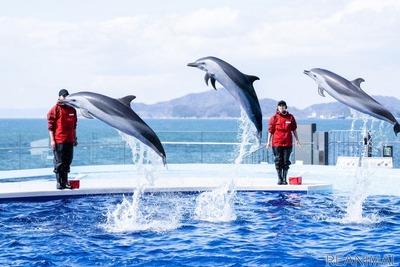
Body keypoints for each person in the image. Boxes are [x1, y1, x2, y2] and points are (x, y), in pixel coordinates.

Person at [47, 89, 78, 189]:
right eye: (63, 96)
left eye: (67, 96)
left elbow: (74, 126)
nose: (65, 98)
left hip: (69, 140)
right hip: (59, 140)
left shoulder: (72, 110)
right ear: (59, 97)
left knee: (67, 161)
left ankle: (65, 182)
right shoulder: (55, 109)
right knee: (59, 162)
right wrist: (52, 140)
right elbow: (50, 127)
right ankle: (59, 183)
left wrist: (75, 138)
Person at [267, 100, 300, 185]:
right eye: (280, 106)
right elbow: (270, 131)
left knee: (286, 161)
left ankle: (285, 178)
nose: (281, 107)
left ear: (285, 107)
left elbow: (294, 129)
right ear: (277, 107)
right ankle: (280, 178)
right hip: (277, 143)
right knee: (278, 160)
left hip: (287, 143)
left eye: (283, 106)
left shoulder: (290, 117)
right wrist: (268, 142)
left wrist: (297, 139)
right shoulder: (274, 118)